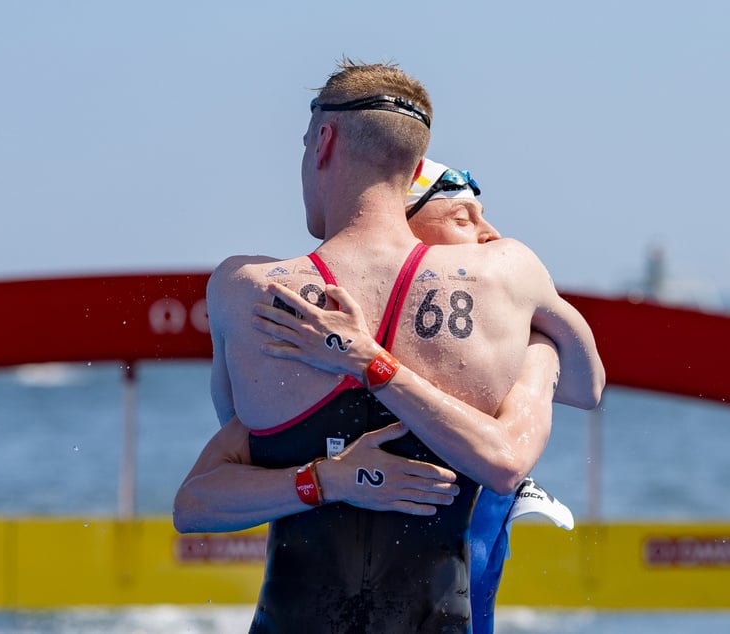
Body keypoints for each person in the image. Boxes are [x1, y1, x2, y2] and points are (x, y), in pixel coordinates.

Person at [175, 60, 601, 632]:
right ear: (413, 161)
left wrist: (324, 467)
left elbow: (237, 440)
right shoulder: (506, 273)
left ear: (323, 141)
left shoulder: (247, 289)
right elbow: (588, 383)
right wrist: (537, 351)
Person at [251, 157, 585, 633]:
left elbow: (586, 389)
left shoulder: (514, 334)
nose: (492, 234)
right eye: (463, 217)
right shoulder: (307, 336)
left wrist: (542, 342)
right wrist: (323, 481)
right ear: (399, 224)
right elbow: (198, 499)